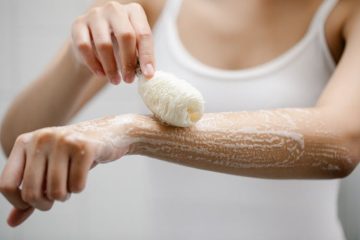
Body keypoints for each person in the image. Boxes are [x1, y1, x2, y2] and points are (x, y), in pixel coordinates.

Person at [0, 0, 360, 238]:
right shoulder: (154, 5)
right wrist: (79, 63)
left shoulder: (345, 9)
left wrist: (134, 132)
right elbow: (17, 137)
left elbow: (341, 142)